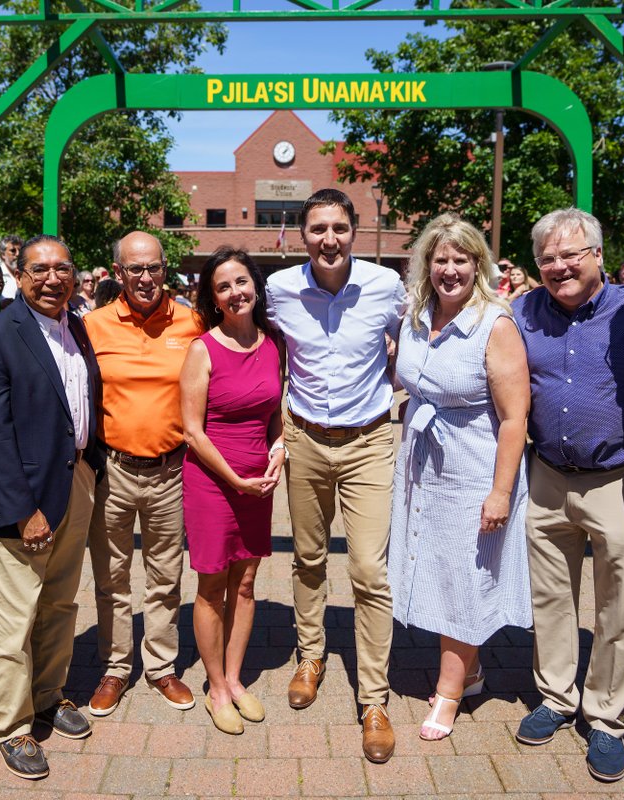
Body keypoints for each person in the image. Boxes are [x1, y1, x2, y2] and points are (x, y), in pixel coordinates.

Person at [511, 208, 624, 782]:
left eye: (571, 254)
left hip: (616, 477)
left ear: (598, 255)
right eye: (547, 257)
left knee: (619, 604)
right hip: (546, 474)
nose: (559, 266)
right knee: (549, 597)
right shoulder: (521, 312)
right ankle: (555, 696)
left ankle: (606, 717)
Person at [265, 188, 406, 763]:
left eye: (339, 229)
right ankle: (311, 655)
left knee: (370, 570)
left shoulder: (385, 287)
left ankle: (373, 698)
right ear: (303, 235)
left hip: (370, 440)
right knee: (308, 557)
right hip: (305, 439)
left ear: (355, 230)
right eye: (318, 229)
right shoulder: (278, 290)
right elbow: (264, 354)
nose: (329, 240)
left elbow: (418, 338)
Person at [388, 213, 531, 744]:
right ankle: (468, 673)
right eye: (440, 259)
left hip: (473, 469)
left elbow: (515, 417)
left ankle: (449, 693)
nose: (450, 270)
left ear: (479, 265)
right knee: (436, 567)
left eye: (461, 260)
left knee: (463, 578)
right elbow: (408, 380)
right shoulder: (417, 316)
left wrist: (501, 491)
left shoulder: (494, 324)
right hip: (422, 466)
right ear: (428, 265)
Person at [0, 234, 104, 780]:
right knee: (13, 617)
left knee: (59, 604)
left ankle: (50, 695)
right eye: (39, 270)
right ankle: (11, 726)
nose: (53, 279)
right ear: (19, 275)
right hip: (23, 498)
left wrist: (90, 469)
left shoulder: (76, 326)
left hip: (75, 481)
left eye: (62, 269)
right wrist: (22, 509)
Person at [82, 231, 202, 717]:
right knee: (110, 577)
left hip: (171, 469)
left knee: (164, 574)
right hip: (112, 469)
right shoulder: (93, 325)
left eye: (154, 267)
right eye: (135, 269)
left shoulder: (193, 322)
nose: (147, 278)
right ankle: (115, 667)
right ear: (118, 273)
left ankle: (161, 666)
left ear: (165, 267)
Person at [180, 247, 284, 735]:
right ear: (213, 298)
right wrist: (236, 478)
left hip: (257, 483)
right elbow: (193, 432)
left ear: (255, 286)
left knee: (246, 583)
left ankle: (236, 679)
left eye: (241, 282)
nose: (235, 292)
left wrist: (279, 449)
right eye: (223, 287)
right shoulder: (203, 349)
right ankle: (215, 687)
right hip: (213, 480)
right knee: (211, 584)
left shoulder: (273, 343)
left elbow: (275, 414)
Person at [0, 234, 23, 304]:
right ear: (3, 254)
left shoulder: (27, 273)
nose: (18, 254)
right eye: (13, 250)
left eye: (20, 250)